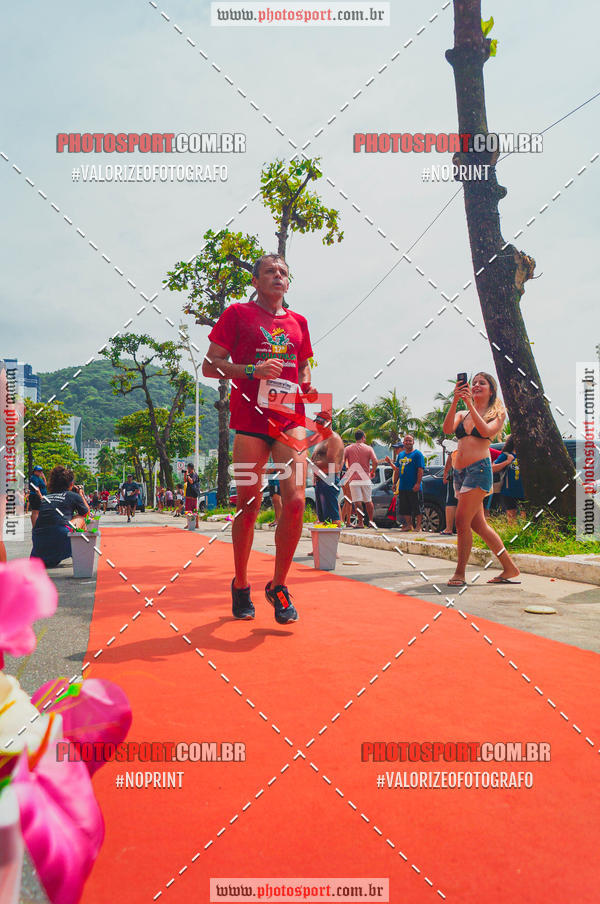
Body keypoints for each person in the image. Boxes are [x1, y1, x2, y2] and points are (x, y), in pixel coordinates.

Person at [202, 252, 314, 624]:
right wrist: (252, 369)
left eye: (283, 271)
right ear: (256, 281)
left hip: (289, 418)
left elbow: (304, 363)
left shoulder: (299, 322)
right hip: (250, 417)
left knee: (295, 501)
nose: (278, 275)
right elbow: (210, 364)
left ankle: (278, 586)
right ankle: (240, 582)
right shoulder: (237, 314)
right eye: (270, 271)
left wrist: (306, 382)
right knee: (248, 506)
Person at [442, 372, 520, 586]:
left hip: (479, 470)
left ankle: (460, 573)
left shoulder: (497, 412)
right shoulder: (462, 412)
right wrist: (457, 400)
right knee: (479, 525)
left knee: (461, 521)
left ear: (491, 390)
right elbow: (447, 429)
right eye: (474, 382)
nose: (476, 385)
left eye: (482, 383)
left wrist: (471, 404)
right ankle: (510, 568)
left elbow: (486, 432)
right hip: (459, 473)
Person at [31, 466, 89, 568]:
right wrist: (81, 494)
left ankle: (53, 555)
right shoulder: (73, 496)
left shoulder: (46, 498)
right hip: (61, 540)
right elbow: (87, 513)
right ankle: (77, 554)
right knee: (81, 518)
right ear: (71, 484)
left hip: (39, 548)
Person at [310, 411, 344, 524]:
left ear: (328, 423)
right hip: (320, 480)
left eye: (320, 422)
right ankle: (324, 541)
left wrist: (313, 463)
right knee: (323, 519)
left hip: (329, 479)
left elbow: (331, 461)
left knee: (333, 519)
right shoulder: (321, 440)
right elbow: (316, 458)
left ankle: (334, 540)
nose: (317, 425)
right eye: (316, 422)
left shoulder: (333, 439)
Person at [389, 435, 425, 532]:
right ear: (403, 442)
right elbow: (397, 470)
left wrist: (418, 483)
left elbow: (420, 470)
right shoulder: (400, 455)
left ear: (413, 442)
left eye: (410, 441)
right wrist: (394, 483)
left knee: (417, 507)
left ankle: (418, 526)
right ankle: (409, 525)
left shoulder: (418, 454)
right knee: (404, 508)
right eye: (406, 441)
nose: (408, 442)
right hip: (403, 486)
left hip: (414, 486)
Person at [343, 431, 378, 528]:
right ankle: (371, 521)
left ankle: (360, 523)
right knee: (368, 501)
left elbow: (342, 461)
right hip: (365, 478)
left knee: (357, 501)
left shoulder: (348, 449)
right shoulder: (368, 448)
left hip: (353, 479)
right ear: (363, 437)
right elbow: (375, 461)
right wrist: (373, 471)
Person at [495, 436, 524, 523]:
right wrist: (507, 462)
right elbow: (492, 468)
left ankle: (523, 535)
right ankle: (514, 534)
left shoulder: (527, 455)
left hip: (524, 491)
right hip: (509, 491)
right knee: (511, 517)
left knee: (525, 516)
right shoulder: (506, 455)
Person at [441, 451, 457, 534]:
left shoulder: (458, 440)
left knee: (451, 502)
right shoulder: (476, 440)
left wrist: (445, 474)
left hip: (456, 475)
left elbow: (450, 459)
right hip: (470, 475)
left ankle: (449, 528)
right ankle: (460, 529)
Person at [184, 463, 200, 528]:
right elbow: (185, 481)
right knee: (188, 511)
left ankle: (197, 524)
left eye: (188, 468)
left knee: (194, 510)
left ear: (191, 468)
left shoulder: (194, 475)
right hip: (188, 495)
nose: (187, 469)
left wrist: (187, 475)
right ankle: (189, 524)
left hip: (193, 495)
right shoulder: (189, 475)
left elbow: (191, 481)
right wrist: (185, 475)